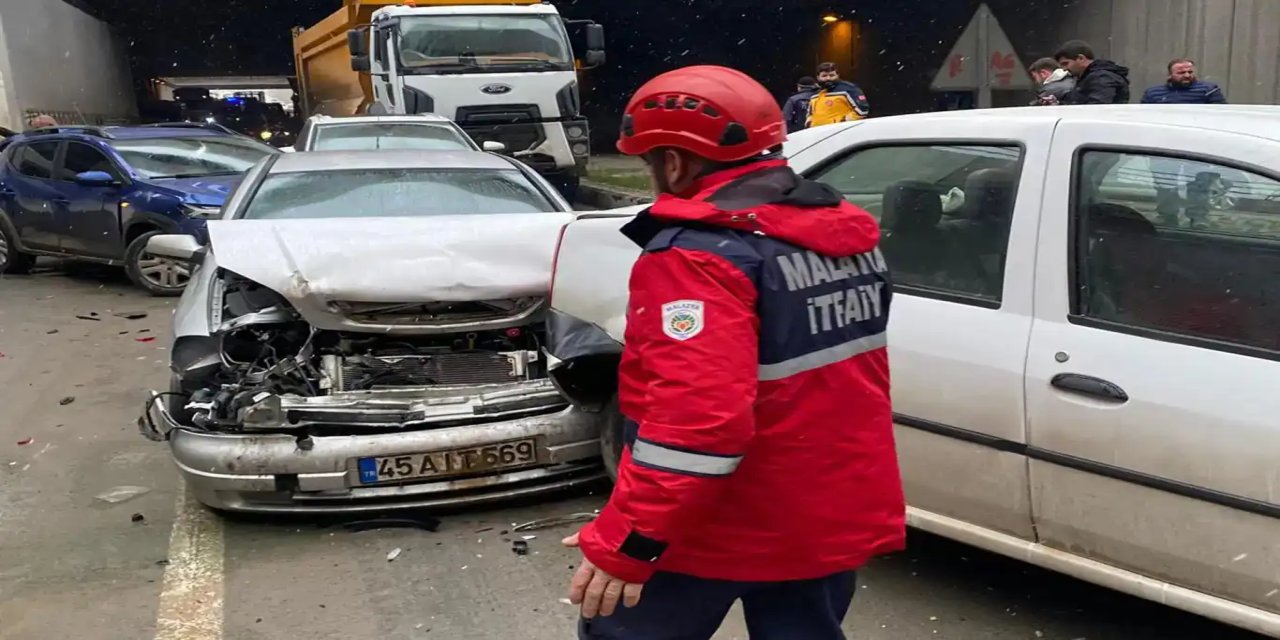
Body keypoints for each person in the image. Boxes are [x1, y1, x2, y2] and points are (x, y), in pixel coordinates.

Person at [565, 64, 906, 640]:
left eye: (650, 162)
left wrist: (629, 535)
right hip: (825, 512)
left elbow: (696, 423)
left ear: (672, 162)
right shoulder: (842, 235)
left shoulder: (698, 258)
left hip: (720, 525)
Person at [1053, 40, 1130, 105]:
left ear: (1081, 58)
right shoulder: (1089, 77)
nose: (1064, 69)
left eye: (1065, 63)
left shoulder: (1101, 77)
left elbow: (1096, 108)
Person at [806, 62, 871, 127]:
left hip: (839, 132)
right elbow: (810, 113)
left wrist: (843, 123)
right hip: (817, 133)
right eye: (824, 76)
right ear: (818, 77)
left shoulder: (849, 89)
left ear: (838, 75)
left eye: (831, 75)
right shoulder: (815, 93)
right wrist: (810, 124)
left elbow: (862, 109)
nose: (828, 78)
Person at [1141, 59, 1226, 104]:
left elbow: (1221, 115)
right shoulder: (1153, 93)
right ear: (1170, 75)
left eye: (1190, 72)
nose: (1187, 75)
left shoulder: (1209, 90)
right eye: (1181, 73)